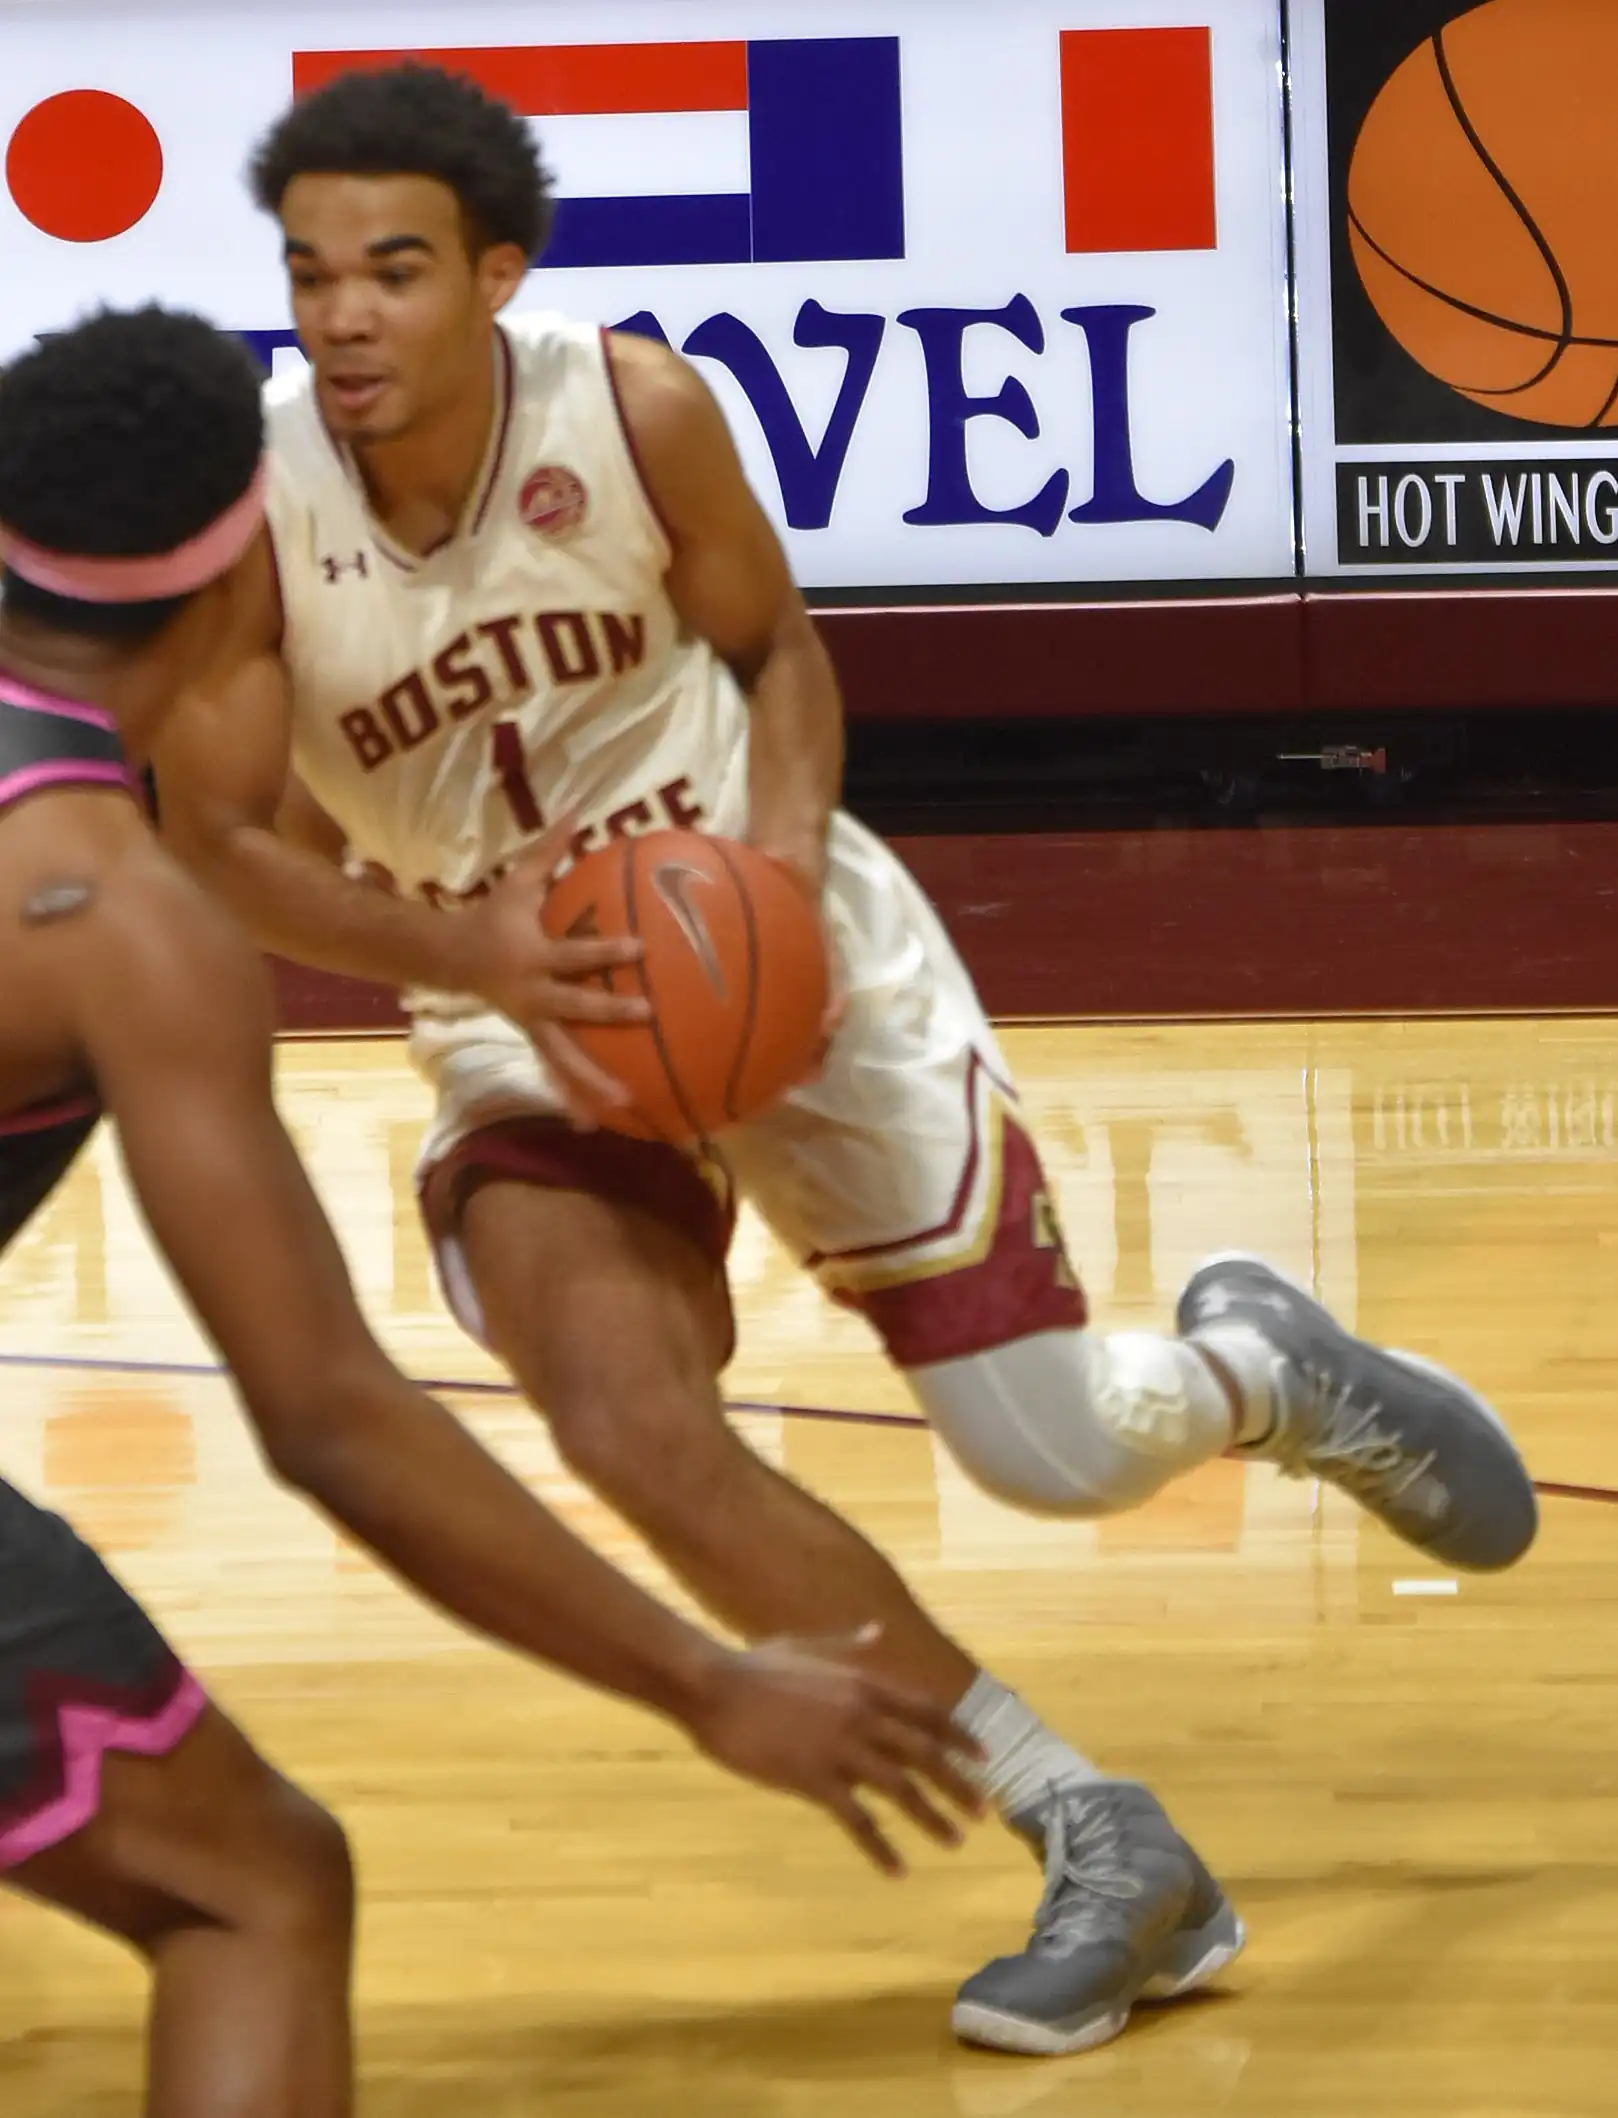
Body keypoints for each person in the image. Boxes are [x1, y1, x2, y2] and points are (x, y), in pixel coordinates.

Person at [152, 64, 1539, 2059]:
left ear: (494, 275)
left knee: (1046, 1454)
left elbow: (775, 657)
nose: (343, 316)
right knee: (630, 1426)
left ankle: (1259, 1369)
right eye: (308, 276)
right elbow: (218, 843)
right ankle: (1094, 1829)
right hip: (514, 1007)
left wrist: (775, 887)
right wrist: (469, 951)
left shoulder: (634, 412)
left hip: (776, 945)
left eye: (391, 270)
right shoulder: (253, 510)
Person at [0, 304, 982, 2118]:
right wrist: (701, 1679)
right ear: (234, 587)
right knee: (255, 1891)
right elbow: (329, 1418)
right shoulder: (113, 916)